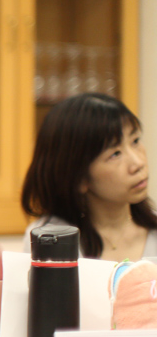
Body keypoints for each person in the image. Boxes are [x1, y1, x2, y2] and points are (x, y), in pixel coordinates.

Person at [21, 92, 157, 261]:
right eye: (115, 154)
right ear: (79, 177)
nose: (138, 163)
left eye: (135, 141)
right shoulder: (50, 241)